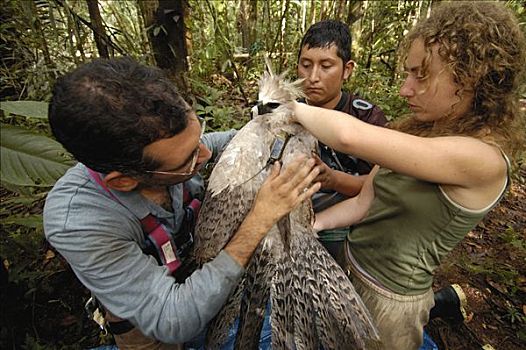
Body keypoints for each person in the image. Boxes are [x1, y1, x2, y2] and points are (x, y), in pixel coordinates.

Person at [291, 2, 525, 349]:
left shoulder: (484, 159)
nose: (405, 89)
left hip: (389, 303)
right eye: (408, 74)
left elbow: (349, 136)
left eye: (422, 75)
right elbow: (366, 200)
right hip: (351, 266)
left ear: (471, 76)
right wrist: (314, 226)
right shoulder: (428, 130)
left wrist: (285, 105)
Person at [43, 57, 321, 348]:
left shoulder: (174, 152)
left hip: (207, 275)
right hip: (152, 326)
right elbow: (172, 318)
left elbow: (227, 143)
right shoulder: (77, 221)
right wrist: (258, 220)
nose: (204, 154)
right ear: (124, 181)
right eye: (188, 160)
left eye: (199, 138)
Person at [296, 19, 387, 266]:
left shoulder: (367, 118)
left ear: (347, 69)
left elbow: (380, 188)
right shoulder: (286, 112)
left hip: (349, 231)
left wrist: (333, 179)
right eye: (305, 65)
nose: (313, 77)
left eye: (326, 66)